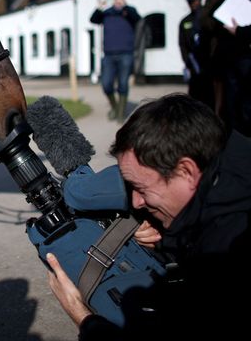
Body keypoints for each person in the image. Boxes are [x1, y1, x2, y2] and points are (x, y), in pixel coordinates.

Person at [45, 93, 251, 341]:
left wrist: (82, 316)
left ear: (186, 171)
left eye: (141, 189)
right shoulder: (231, 153)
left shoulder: (222, 251)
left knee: (78, 192)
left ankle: (72, 168)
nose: (135, 202)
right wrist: (167, 235)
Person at [202, 0, 251, 136]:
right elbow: (209, 17)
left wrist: (239, 31)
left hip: (248, 54)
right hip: (230, 57)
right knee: (233, 111)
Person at [90, 0, 141, 122]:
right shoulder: (107, 13)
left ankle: (120, 114)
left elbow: (137, 19)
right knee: (106, 84)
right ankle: (115, 107)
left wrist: (125, 6)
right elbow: (93, 19)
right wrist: (99, 8)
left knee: (123, 84)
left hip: (126, 53)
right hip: (108, 55)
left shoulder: (129, 11)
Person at [178, 0, 214, 108]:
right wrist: (187, 60)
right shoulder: (185, 22)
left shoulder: (209, 16)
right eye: (190, 2)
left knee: (211, 92)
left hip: (210, 60)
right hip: (193, 62)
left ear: (200, 0)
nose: (193, 4)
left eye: (194, 1)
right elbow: (182, 44)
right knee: (195, 94)